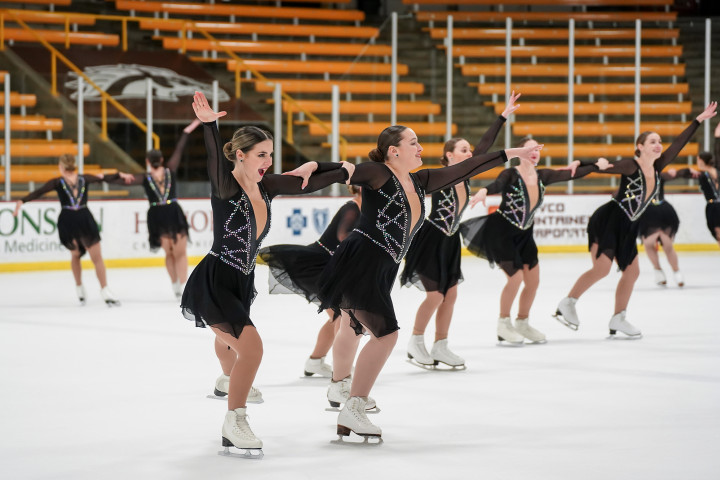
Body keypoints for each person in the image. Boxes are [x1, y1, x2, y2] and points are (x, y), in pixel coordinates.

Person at [317, 121, 543, 440]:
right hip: (364, 260)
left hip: (382, 265)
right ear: (394, 151)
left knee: (352, 325)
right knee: (385, 334)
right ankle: (353, 405)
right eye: (414, 143)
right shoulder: (379, 172)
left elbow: (468, 167)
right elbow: (341, 172)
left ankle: (341, 387)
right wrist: (308, 168)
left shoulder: (420, 180)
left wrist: (511, 153)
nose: (421, 148)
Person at [181, 91, 354, 457]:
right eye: (261, 154)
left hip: (242, 279)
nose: (268, 161)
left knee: (232, 337)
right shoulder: (226, 186)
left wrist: (342, 168)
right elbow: (214, 158)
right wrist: (211, 125)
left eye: (271, 155)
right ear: (240, 154)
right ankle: (235, 420)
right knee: (252, 348)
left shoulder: (267, 187)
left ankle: (229, 379)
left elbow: (313, 181)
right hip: (215, 278)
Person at [554, 102, 717, 338]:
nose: (658, 145)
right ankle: (567, 303)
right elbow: (604, 166)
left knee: (632, 272)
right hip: (611, 218)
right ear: (639, 147)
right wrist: (579, 162)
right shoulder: (632, 165)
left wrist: (698, 120)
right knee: (601, 269)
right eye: (653, 141)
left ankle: (618, 318)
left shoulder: (658, 167)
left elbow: (679, 145)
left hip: (630, 223)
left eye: (660, 141)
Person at [400, 92, 520, 369]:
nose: (470, 154)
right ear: (448, 156)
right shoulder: (438, 176)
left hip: (450, 241)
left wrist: (502, 117)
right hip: (430, 239)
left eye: (469, 150)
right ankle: (415, 343)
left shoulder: (465, 175)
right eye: (464, 150)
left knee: (450, 294)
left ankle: (441, 345)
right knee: (435, 295)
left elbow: (485, 148)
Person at [461, 138, 612, 345]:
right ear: (519, 152)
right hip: (502, 231)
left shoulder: (543, 176)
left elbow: (571, 173)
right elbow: (496, 184)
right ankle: (503, 324)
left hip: (525, 234)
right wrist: (484, 191)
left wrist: (594, 164)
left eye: (537, 149)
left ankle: (522, 322)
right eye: (529, 148)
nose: (534, 152)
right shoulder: (511, 174)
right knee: (515, 278)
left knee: (533, 281)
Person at [258, 186, 362, 378]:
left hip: (331, 268)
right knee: (341, 317)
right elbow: (343, 236)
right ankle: (343, 368)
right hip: (318, 265)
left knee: (338, 317)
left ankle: (315, 362)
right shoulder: (352, 207)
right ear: (361, 188)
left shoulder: (366, 210)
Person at [13, 154, 123, 306]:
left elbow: (39, 192)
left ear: (62, 167)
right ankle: (103, 289)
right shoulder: (83, 178)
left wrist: (22, 201)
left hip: (70, 219)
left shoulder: (61, 181)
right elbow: (104, 177)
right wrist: (120, 175)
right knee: (95, 258)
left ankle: (82, 288)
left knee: (77, 255)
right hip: (81, 219)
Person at [119, 119, 201, 299]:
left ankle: (175, 285)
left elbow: (123, 180)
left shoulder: (145, 177)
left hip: (157, 215)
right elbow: (180, 147)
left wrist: (117, 175)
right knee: (180, 253)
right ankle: (183, 285)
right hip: (172, 211)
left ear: (148, 162)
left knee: (169, 252)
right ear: (162, 159)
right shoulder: (170, 170)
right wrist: (191, 126)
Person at [637, 167, 697, 286]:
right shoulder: (654, 174)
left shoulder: (652, 174)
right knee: (657, 244)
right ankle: (673, 273)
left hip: (655, 212)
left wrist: (687, 170)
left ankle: (665, 272)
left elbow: (676, 173)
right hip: (655, 211)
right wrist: (686, 170)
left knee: (660, 244)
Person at [694, 123, 720, 247]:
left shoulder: (703, 174)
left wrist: (717, 137)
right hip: (713, 206)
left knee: (718, 233)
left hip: (714, 207)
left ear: (700, 160)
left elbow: (717, 151)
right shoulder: (714, 170)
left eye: (698, 160)